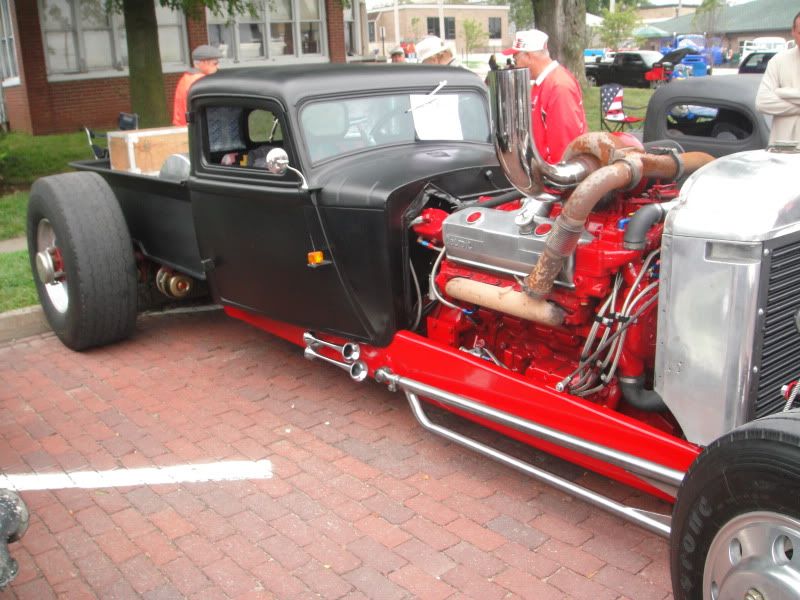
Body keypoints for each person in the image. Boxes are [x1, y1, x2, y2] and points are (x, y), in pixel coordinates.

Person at [502, 29, 588, 164]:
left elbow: (565, 146)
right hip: (545, 173)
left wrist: (554, 180)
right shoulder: (542, 84)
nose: (515, 64)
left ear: (528, 57)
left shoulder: (559, 86)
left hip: (557, 178)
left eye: (516, 58)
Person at [755, 11, 800, 144]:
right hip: (782, 150)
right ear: (793, 31)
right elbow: (762, 102)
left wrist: (782, 93)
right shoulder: (778, 61)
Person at [172, 45, 223, 126]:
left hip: (183, 128)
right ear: (204, 62)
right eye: (215, 63)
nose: (218, 67)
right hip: (196, 130)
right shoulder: (201, 82)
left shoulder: (186, 78)